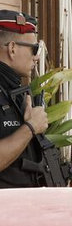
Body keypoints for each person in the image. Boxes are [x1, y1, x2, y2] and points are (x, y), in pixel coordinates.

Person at [0, 10, 51, 189]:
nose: (37, 57)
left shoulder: (15, 93)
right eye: (34, 49)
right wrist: (31, 127)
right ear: (12, 49)